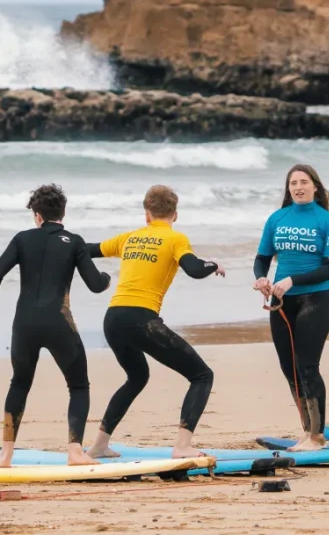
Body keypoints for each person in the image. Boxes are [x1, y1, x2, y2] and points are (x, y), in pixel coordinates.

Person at [86, 185, 225, 460]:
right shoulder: (175, 239)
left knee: (137, 376)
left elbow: (86, 250)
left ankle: (99, 445)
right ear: (175, 214)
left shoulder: (129, 238)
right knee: (202, 376)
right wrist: (213, 265)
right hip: (141, 320)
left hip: (113, 319)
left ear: (146, 214)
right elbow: (194, 270)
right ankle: (182, 446)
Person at [0, 184, 110, 468]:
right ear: (63, 213)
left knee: (19, 383)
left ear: (37, 216)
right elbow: (96, 285)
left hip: (23, 323)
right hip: (58, 322)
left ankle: (6, 454)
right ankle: (75, 452)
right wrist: (108, 277)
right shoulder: (73, 241)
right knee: (78, 385)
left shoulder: (22, 239)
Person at [253, 164, 329, 452]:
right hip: (282, 301)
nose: (298, 187)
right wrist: (261, 278)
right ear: (288, 188)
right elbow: (262, 257)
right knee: (288, 367)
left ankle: (318, 436)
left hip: (315, 299)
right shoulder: (277, 218)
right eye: (293, 183)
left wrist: (292, 279)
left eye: (304, 182)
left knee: (307, 365)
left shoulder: (328, 221)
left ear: (316, 187)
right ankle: (306, 431)